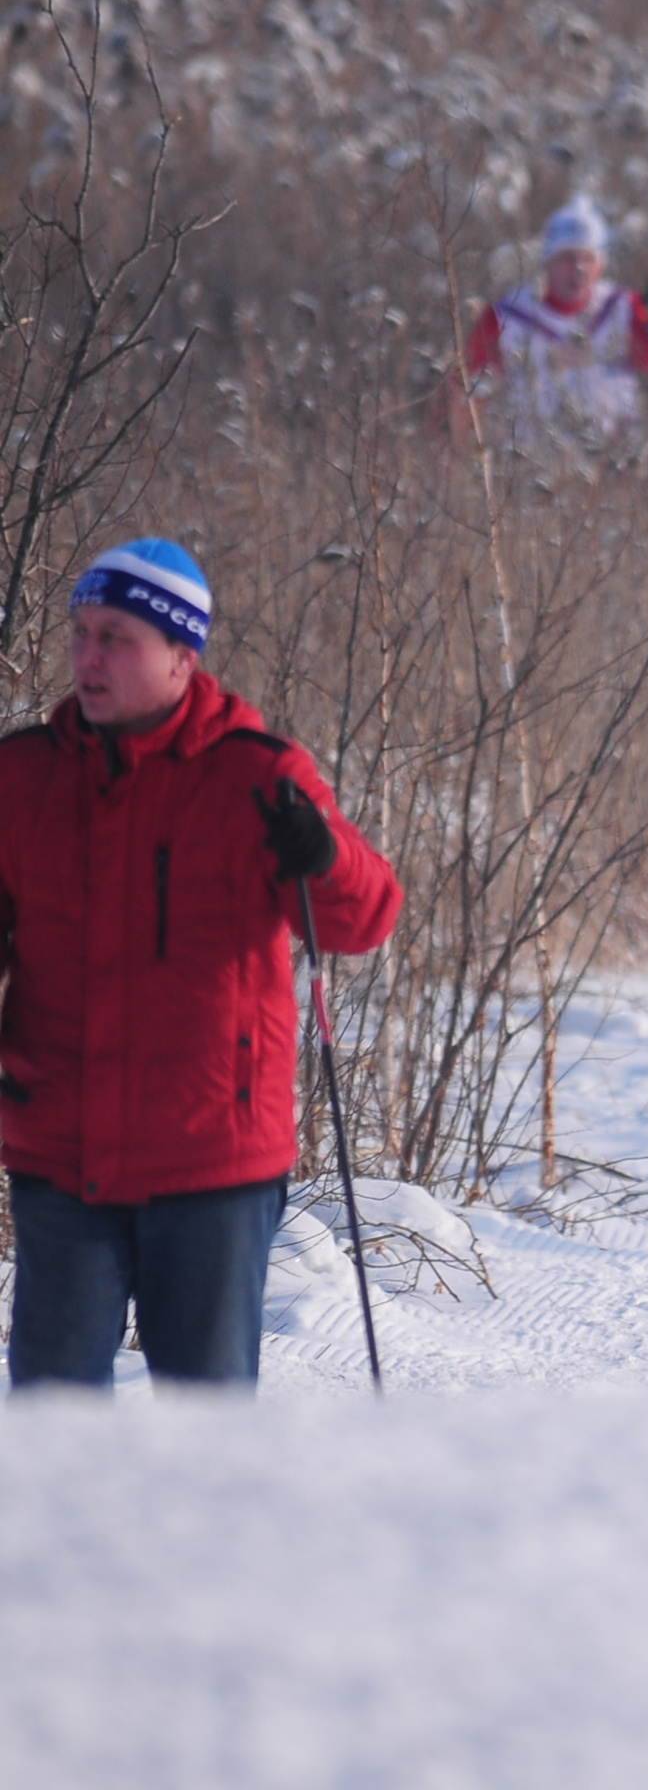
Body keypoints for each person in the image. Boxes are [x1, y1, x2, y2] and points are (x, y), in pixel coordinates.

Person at [1, 540, 403, 1390]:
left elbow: (365, 918)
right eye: (79, 631)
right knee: (50, 1421)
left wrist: (323, 856)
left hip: (213, 1161)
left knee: (205, 1424)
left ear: (183, 656)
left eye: (117, 636)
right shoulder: (22, 777)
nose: (87, 654)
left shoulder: (256, 774)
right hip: (61, 1152)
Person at [455, 195, 648, 450]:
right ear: (547, 262)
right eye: (567, 258)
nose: (578, 269)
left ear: (601, 265)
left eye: (588, 259)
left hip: (613, 460)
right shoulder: (509, 316)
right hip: (533, 465)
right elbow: (464, 392)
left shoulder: (623, 308)